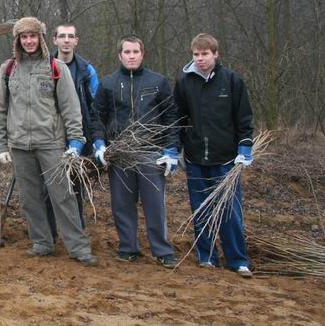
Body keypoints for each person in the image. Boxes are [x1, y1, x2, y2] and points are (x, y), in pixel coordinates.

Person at [0, 17, 97, 265]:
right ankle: (41, 242)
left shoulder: (55, 67)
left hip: (51, 143)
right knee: (30, 198)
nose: (29, 41)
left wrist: (75, 142)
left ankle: (78, 247)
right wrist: (1, 145)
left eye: (33, 36)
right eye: (23, 37)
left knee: (63, 197)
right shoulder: (8, 69)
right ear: (17, 40)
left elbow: (71, 109)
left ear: (41, 38)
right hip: (19, 146)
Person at [90, 35, 179, 268]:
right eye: (127, 52)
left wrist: (171, 149)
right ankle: (128, 247)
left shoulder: (158, 82)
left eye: (135, 52)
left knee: (154, 205)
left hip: (151, 152)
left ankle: (162, 250)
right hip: (120, 154)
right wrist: (99, 143)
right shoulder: (107, 83)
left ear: (142, 54)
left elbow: (171, 117)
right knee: (122, 204)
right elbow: (97, 117)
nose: (131, 56)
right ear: (119, 55)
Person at [174, 33, 254, 278]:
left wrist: (244, 149)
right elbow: (178, 120)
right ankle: (206, 257)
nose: (200, 59)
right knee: (201, 212)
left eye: (205, 54)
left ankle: (238, 260)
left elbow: (244, 119)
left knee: (230, 213)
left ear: (215, 54)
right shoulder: (184, 82)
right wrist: (176, 149)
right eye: (196, 54)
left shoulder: (231, 81)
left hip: (226, 161)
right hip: (196, 160)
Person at [52, 23, 99, 227]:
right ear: (55, 40)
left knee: (76, 183)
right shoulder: (46, 66)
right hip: (51, 133)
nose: (66, 40)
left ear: (76, 41)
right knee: (51, 183)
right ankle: (51, 228)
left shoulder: (87, 70)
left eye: (71, 36)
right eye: (62, 36)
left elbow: (96, 105)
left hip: (79, 134)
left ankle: (77, 225)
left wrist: (96, 137)